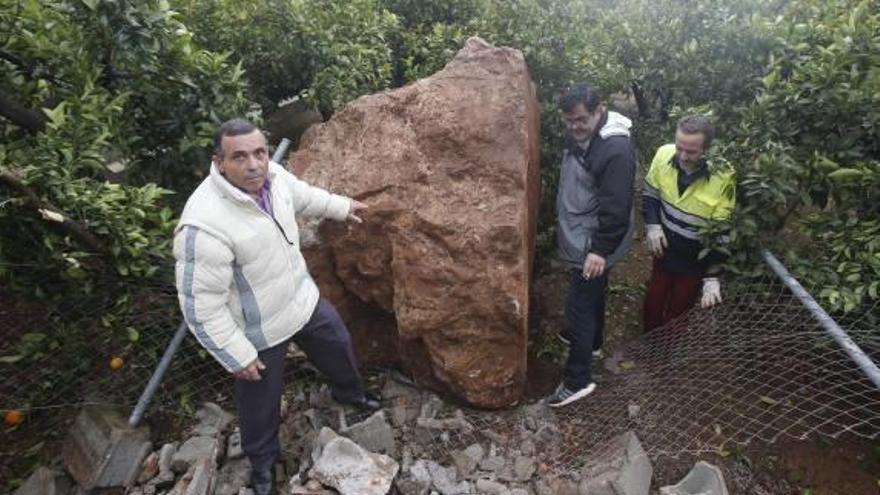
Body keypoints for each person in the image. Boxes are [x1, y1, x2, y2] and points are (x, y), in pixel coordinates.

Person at [173, 119, 379, 495]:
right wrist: (237, 354)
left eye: (259, 153)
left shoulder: (275, 179)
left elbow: (304, 195)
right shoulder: (203, 226)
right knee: (259, 405)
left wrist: (342, 206)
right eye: (240, 157)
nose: (253, 164)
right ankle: (263, 465)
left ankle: (351, 395)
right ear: (219, 162)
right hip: (258, 330)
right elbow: (201, 309)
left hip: (300, 299)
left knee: (338, 344)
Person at [548, 84, 637, 408]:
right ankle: (594, 343)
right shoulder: (584, 132)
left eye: (581, 120)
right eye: (569, 121)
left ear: (599, 111)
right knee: (594, 291)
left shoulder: (614, 151)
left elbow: (616, 207)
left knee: (579, 304)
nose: (574, 127)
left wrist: (599, 250)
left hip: (592, 239)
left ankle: (578, 380)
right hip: (582, 231)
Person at [642, 114, 735, 332]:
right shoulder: (663, 154)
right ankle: (647, 346)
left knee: (679, 310)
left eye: (691, 151)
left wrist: (712, 277)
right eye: (679, 147)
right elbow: (651, 194)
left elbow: (721, 232)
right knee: (654, 300)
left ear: (707, 149)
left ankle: (667, 355)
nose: (683, 156)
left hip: (694, 256)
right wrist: (653, 225)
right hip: (664, 247)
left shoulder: (723, 175)